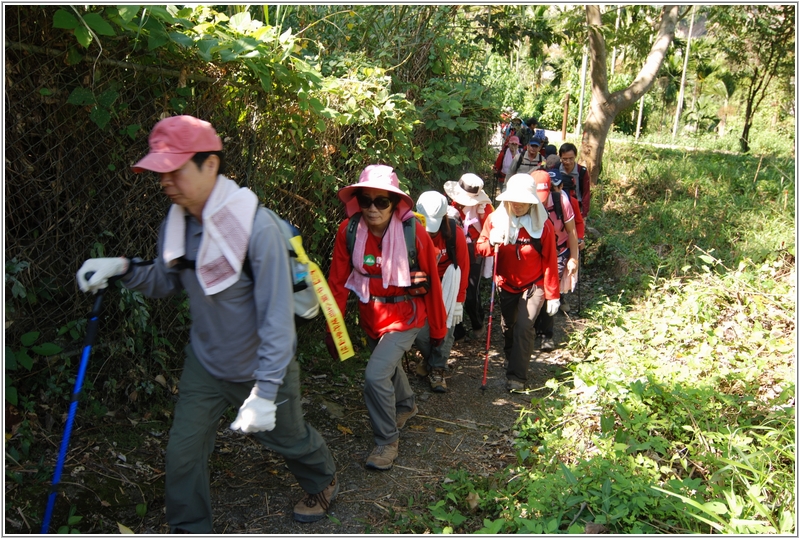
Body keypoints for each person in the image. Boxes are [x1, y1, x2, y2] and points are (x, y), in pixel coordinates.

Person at [75, 115, 338, 532]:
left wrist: (266, 392)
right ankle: (190, 528)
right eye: (159, 170)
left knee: (286, 438)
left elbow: (276, 321)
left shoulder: (257, 227)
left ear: (210, 164)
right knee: (182, 453)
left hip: (261, 364)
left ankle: (322, 478)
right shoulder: (178, 224)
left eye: (174, 168)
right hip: (206, 363)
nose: (164, 179)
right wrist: (122, 267)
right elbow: (165, 280)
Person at [326, 165, 447, 470]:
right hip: (371, 314)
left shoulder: (413, 232)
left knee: (375, 375)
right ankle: (406, 405)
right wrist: (333, 327)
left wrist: (438, 331)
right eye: (366, 200)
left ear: (395, 203)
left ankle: (386, 441)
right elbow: (337, 283)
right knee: (387, 367)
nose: (372, 208)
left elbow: (432, 283)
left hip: (406, 316)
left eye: (382, 201)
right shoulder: (349, 231)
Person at [475, 173, 560, 392]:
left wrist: (553, 294)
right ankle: (510, 353)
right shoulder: (495, 219)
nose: (518, 204)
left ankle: (517, 377)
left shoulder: (543, 226)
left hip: (534, 284)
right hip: (506, 283)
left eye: (524, 200)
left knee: (525, 325)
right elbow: (480, 247)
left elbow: (550, 260)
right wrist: (490, 241)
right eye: (514, 199)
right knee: (508, 325)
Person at [412, 191, 470, 393]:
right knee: (420, 331)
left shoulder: (456, 234)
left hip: (448, 287)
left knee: (445, 330)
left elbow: (463, 266)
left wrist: (459, 300)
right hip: (421, 286)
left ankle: (437, 370)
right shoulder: (410, 232)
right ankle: (430, 361)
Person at [531, 170, 579, 349]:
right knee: (535, 289)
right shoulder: (526, 202)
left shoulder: (561, 201)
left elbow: (572, 231)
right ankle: (532, 327)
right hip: (536, 252)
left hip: (559, 251)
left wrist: (573, 258)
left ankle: (546, 334)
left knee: (549, 289)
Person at [444, 174, 494, 341]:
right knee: (452, 285)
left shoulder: (485, 208)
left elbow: (489, 230)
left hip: (474, 250)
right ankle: (457, 330)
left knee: (471, 290)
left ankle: (477, 322)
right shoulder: (452, 202)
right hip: (453, 247)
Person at [558, 142, 591, 218]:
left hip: (576, 206)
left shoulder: (582, 171)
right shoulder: (555, 169)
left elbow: (586, 193)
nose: (568, 162)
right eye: (565, 159)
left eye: (571, 158)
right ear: (560, 157)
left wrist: (584, 214)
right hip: (559, 206)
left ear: (575, 156)